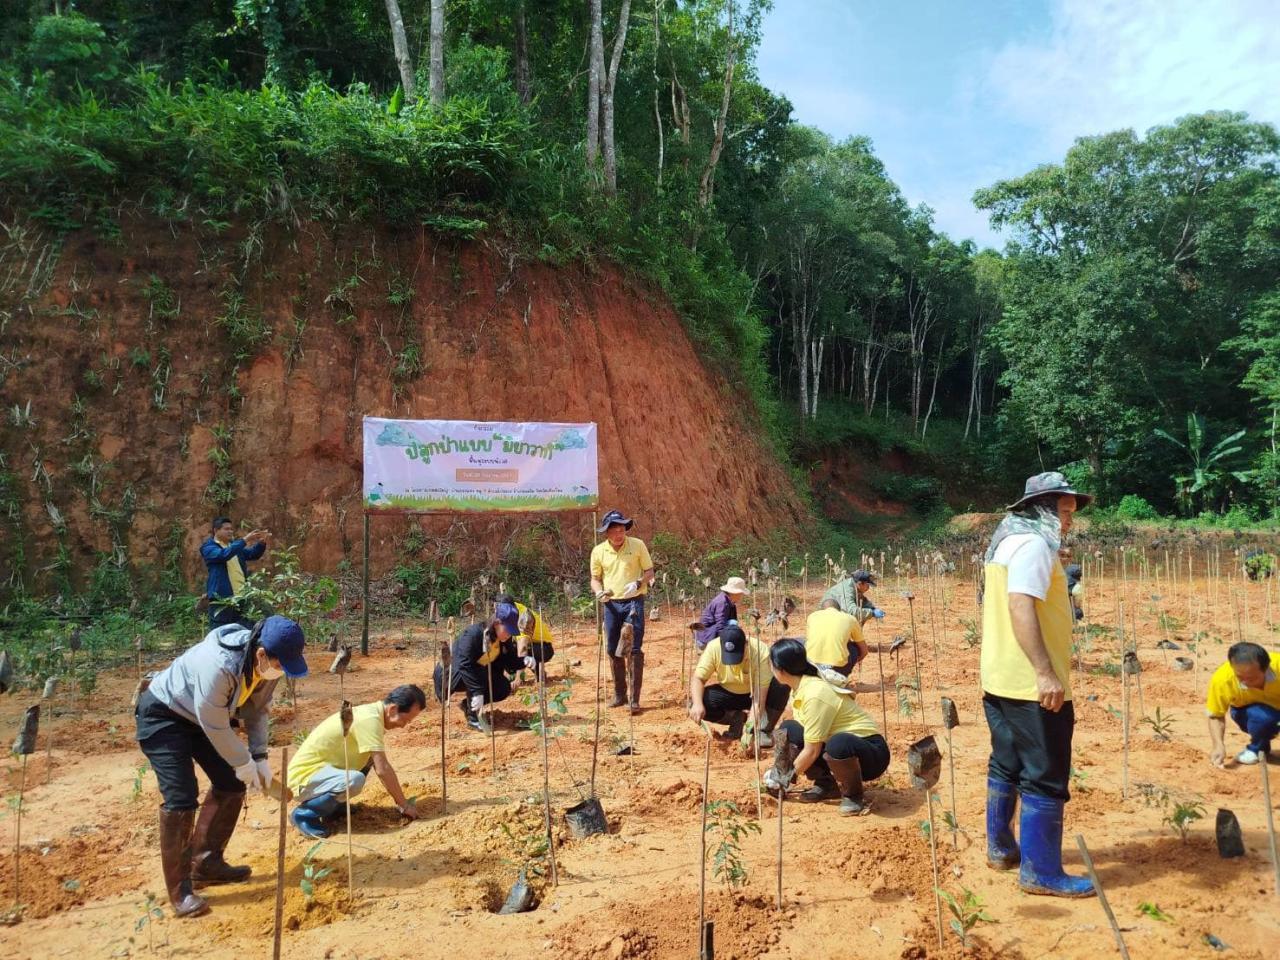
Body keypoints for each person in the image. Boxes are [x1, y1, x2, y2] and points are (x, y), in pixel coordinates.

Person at [135, 616, 308, 917]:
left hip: (200, 718)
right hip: (164, 715)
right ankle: (180, 892)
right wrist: (243, 762)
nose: (280, 672)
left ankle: (206, 864)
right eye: (279, 665)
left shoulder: (269, 665)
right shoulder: (219, 665)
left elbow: (256, 710)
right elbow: (214, 725)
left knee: (230, 783)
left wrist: (260, 757)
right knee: (181, 796)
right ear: (261, 654)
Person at [980, 471, 1094, 898]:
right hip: (1032, 685)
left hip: (1000, 678)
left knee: (1006, 763)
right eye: (1064, 512)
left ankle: (1001, 847)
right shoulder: (1033, 547)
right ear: (1042, 509)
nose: (1069, 521)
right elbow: (1019, 604)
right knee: (1045, 773)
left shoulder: (1007, 543)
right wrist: (1046, 672)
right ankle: (1041, 870)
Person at [761, 637, 889, 816]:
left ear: (781, 670)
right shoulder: (800, 687)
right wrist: (779, 771)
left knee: (838, 743)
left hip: (871, 754)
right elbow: (806, 737)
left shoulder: (815, 693)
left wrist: (786, 778)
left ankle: (853, 796)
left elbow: (812, 750)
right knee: (789, 728)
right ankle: (826, 784)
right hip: (838, 748)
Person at [289, 684, 427, 838]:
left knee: (368, 758)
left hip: (323, 773)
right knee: (354, 780)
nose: (403, 726)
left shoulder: (373, 714)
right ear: (393, 709)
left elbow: (375, 763)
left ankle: (334, 807)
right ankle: (304, 814)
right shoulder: (370, 719)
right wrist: (404, 805)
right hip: (303, 779)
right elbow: (382, 769)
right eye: (405, 720)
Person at [590, 509, 655, 710]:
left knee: (633, 647)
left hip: (633, 601)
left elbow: (649, 571)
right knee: (612, 648)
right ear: (606, 533)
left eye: (621, 530)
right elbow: (595, 579)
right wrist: (599, 592)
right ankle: (620, 695)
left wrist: (637, 583)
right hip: (611, 603)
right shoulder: (598, 551)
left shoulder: (637, 545)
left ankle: (634, 699)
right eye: (614, 531)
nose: (619, 535)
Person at [689, 623, 789, 745]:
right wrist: (698, 704)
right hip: (729, 693)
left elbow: (759, 699)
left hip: (755, 694)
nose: (733, 663)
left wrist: (749, 731)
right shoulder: (713, 648)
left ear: (746, 645)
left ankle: (763, 730)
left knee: (781, 686)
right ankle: (736, 718)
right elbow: (698, 679)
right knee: (697, 700)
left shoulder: (760, 652)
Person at [433, 602, 523, 732]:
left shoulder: (504, 639)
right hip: (453, 674)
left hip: (478, 671)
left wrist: (526, 660)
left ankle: (468, 706)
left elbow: (510, 662)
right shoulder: (473, 634)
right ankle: (473, 718)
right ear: (497, 624)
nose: (509, 634)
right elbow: (465, 665)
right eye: (507, 630)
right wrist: (477, 692)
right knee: (480, 672)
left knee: (502, 687)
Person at [1205, 642, 1280, 767]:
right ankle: (1257, 748)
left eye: (1251, 678)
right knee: (1264, 719)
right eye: (1240, 677)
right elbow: (1215, 715)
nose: (1245, 682)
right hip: (1246, 712)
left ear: (1266, 669)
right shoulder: (1222, 680)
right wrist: (1218, 745)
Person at [200, 517, 268, 628]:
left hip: (241, 596)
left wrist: (261, 543)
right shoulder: (208, 547)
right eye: (226, 529)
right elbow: (223, 555)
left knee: (241, 629)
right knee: (220, 630)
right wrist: (244, 540)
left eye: (231, 529)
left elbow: (252, 554)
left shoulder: (234, 547)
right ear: (216, 531)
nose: (230, 531)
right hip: (222, 599)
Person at [694, 577, 750, 651]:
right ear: (734, 593)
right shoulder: (722, 602)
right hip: (707, 638)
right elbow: (721, 626)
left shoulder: (730, 602)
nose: (741, 596)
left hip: (713, 635)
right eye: (741, 593)